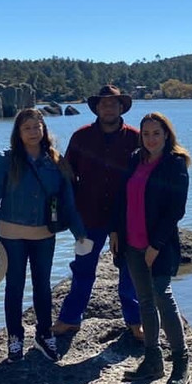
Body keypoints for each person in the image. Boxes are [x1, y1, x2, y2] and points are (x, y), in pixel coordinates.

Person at [0, 108, 86, 363]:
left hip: (45, 234)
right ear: (18, 132)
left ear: (44, 129)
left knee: (42, 287)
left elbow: (68, 202)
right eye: (27, 128)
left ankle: (44, 335)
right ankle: (15, 339)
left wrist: (80, 233)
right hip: (11, 233)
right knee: (14, 287)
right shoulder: (5, 160)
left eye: (37, 127)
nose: (33, 132)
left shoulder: (57, 161)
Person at [52, 85, 143, 339]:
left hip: (125, 220)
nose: (109, 107)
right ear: (97, 108)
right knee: (83, 269)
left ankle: (135, 321)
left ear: (121, 107)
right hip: (87, 219)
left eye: (113, 103)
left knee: (129, 272)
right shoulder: (81, 137)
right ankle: (70, 319)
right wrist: (67, 215)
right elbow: (68, 177)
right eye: (104, 103)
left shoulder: (135, 138)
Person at [110, 111, 191, 384]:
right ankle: (152, 360)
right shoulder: (135, 159)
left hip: (158, 245)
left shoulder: (175, 164)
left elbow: (175, 210)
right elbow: (122, 198)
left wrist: (156, 246)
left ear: (166, 134)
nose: (151, 138)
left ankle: (181, 362)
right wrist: (115, 232)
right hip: (131, 242)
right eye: (146, 134)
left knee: (162, 298)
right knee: (144, 300)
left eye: (156, 133)